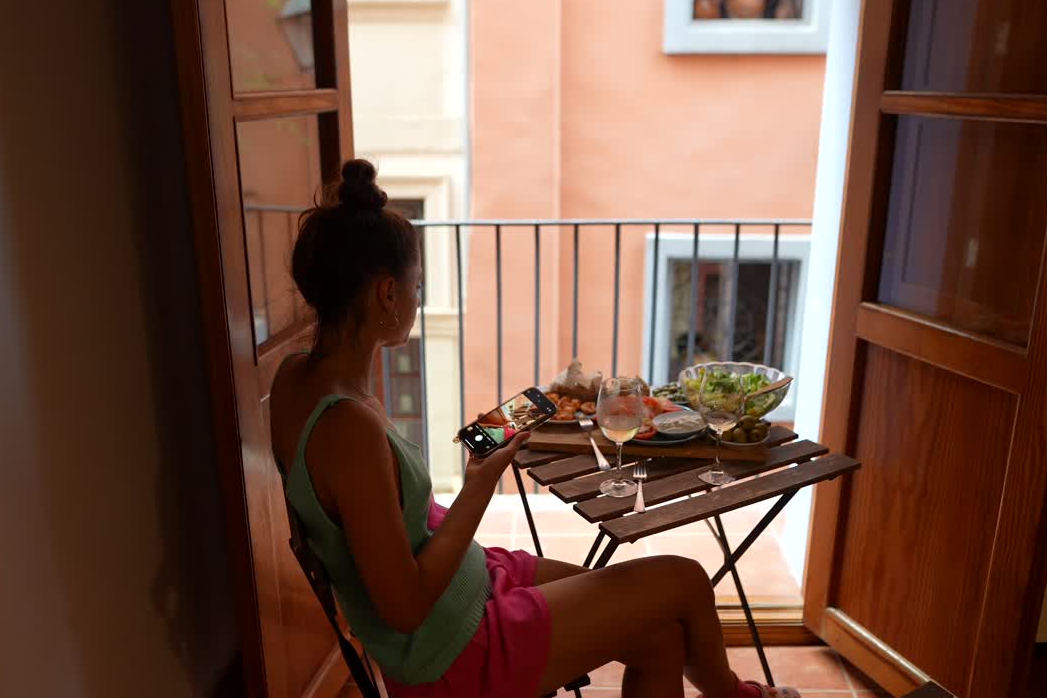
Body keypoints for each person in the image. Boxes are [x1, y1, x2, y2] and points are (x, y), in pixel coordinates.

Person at [268, 159, 798, 698]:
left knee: (660, 636)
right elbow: (403, 609)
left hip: (462, 584)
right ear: (386, 294)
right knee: (684, 579)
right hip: (447, 649)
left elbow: (371, 526)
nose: (418, 299)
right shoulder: (347, 426)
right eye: (417, 286)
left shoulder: (295, 379)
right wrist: (478, 486)